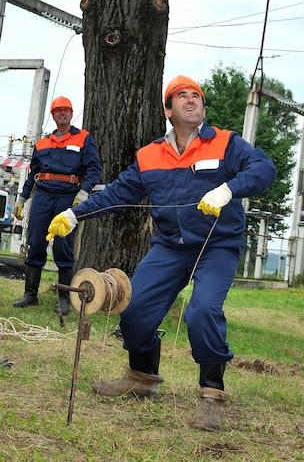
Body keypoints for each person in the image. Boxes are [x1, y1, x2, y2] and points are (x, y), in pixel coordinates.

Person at [46, 76, 276, 431]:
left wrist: (229, 189)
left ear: (202, 106)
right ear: (168, 110)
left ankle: (212, 394)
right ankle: (142, 377)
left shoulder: (227, 143)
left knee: (202, 311)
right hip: (169, 246)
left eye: (196, 96)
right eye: (181, 96)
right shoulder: (149, 155)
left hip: (218, 245)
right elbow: (117, 193)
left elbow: (264, 168)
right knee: (134, 310)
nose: (191, 100)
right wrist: (74, 215)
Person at [13, 96, 102, 314]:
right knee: (35, 242)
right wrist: (23, 198)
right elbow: (33, 174)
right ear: (52, 116)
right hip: (43, 196)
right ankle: (30, 295)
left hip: (68, 197)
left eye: (66, 110)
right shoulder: (42, 143)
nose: (62, 114)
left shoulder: (83, 138)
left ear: (71, 114)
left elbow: (94, 168)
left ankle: (64, 299)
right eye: (58, 111)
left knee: (63, 246)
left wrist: (83, 192)